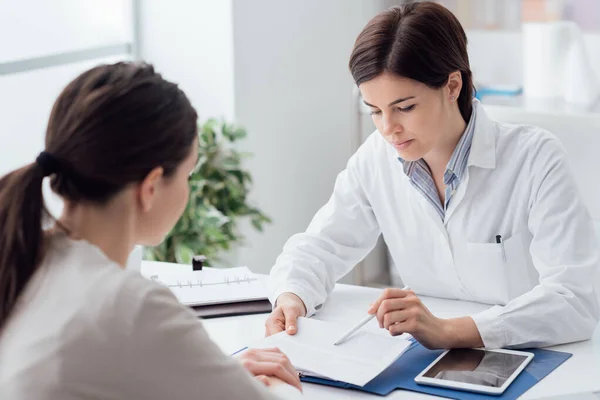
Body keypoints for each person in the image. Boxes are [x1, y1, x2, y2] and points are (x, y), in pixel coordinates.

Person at [266, 1, 600, 350]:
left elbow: (574, 299)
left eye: (405, 107)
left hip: (534, 354)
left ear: (453, 86)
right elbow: (320, 246)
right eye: (375, 111)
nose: (388, 129)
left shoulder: (534, 158)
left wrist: (448, 331)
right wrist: (291, 296)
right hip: (424, 358)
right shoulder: (376, 158)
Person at [0, 62, 303, 399]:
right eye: (188, 175)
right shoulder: (132, 305)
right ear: (152, 187)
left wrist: (207, 375)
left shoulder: (22, 254)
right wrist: (279, 387)